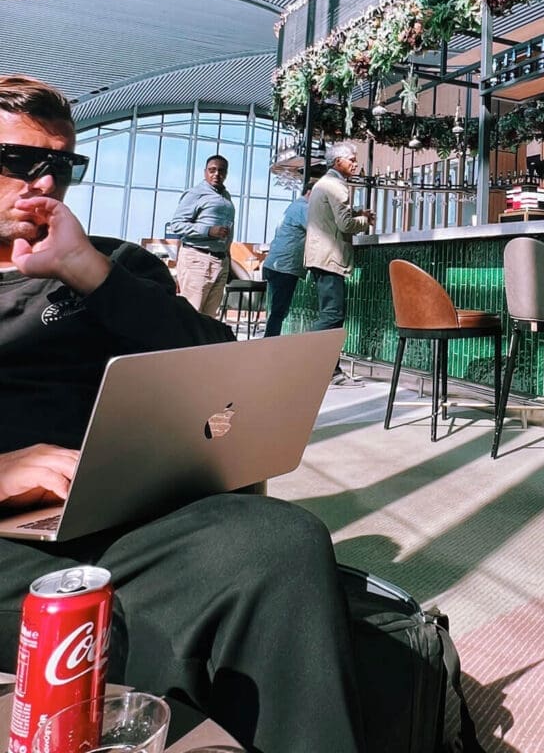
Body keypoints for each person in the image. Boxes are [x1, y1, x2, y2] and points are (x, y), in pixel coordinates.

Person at [0, 75, 365, 753]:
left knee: (280, 543)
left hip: (121, 518)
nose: (44, 183)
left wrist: (85, 269)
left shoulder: (113, 267)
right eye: (19, 161)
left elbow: (215, 367)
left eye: (62, 166)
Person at [304, 141, 375, 333]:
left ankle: (326, 362)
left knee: (329, 313)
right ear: (337, 162)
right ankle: (306, 354)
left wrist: (356, 212)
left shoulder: (322, 184)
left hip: (319, 258)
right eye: (351, 160)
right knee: (333, 315)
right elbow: (345, 225)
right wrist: (365, 221)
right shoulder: (337, 186)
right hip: (330, 259)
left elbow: (330, 217)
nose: (355, 164)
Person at [168, 154, 236, 316]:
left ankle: (205, 343)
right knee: (192, 314)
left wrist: (228, 257)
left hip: (220, 261)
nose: (216, 174)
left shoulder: (226, 196)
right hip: (197, 259)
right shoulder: (195, 194)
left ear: (226, 173)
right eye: (212, 170)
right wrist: (208, 230)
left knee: (210, 318)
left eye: (221, 171)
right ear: (205, 172)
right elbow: (176, 225)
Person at [262, 175, 320, 337]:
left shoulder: (294, 207)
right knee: (279, 311)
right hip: (284, 266)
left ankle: (269, 342)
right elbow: (318, 227)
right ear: (310, 193)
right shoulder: (304, 208)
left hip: (277, 264)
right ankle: (269, 345)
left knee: (278, 310)